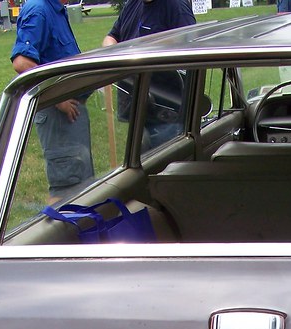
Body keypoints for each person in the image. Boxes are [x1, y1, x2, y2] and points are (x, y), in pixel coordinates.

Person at [11, 0, 94, 202]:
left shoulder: (55, 9)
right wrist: (58, 98)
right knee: (66, 189)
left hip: (71, 114)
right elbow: (22, 62)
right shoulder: (39, 10)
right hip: (58, 115)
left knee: (82, 185)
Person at [103, 0, 195, 148]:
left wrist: (155, 46)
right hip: (136, 109)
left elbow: (190, 43)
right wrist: (114, 53)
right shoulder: (132, 5)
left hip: (166, 114)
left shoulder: (176, 6)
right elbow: (111, 37)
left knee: (162, 165)